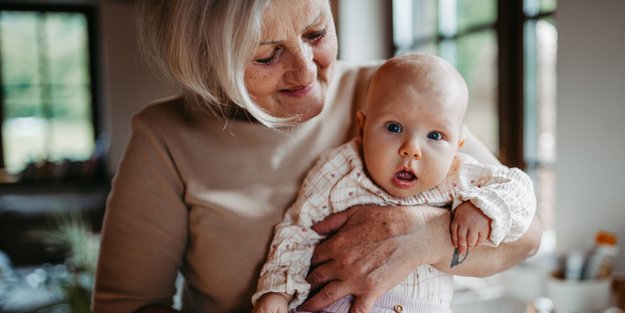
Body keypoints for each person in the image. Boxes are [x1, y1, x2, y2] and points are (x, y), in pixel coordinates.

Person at [92, 1, 543, 313]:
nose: (306, 71)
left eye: (316, 33)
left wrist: (425, 239)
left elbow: (526, 235)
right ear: (209, 61)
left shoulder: (396, 94)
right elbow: (124, 305)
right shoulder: (164, 137)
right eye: (267, 56)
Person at [251, 53, 536, 313]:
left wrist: (483, 206)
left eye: (435, 136)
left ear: (457, 146)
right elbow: (297, 231)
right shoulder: (337, 169)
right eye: (394, 128)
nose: (412, 149)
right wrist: (277, 291)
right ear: (363, 127)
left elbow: (519, 187)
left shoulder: (459, 174)